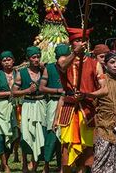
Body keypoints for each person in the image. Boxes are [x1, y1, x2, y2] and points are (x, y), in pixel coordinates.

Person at [56, 27, 108, 173]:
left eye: (84, 40)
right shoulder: (64, 61)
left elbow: (105, 89)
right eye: (78, 40)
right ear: (72, 44)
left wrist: (87, 95)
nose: (82, 43)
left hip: (87, 110)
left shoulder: (95, 64)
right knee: (67, 150)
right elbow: (62, 67)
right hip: (69, 110)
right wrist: (74, 53)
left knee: (86, 152)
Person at [12, 46, 46, 173]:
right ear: (28, 59)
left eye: (38, 57)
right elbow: (14, 92)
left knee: (39, 135)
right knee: (26, 135)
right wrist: (27, 90)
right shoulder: (22, 73)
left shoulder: (44, 71)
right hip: (27, 104)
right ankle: (24, 164)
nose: (36, 59)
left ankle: (35, 165)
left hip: (41, 104)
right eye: (34, 57)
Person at [39, 44, 70, 173]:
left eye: (65, 57)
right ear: (56, 58)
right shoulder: (49, 68)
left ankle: (62, 166)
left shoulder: (72, 67)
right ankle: (46, 164)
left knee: (65, 135)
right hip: (53, 103)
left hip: (68, 103)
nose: (63, 61)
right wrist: (58, 90)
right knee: (52, 134)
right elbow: (41, 87)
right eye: (60, 58)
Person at [0, 51, 18, 173]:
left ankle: (4, 163)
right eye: (4, 60)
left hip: (14, 108)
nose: (7, 62)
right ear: (1, 62)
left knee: (12, 136)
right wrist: (10, 93)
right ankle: (5, 165)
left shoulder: (18, 73)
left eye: (9, 59)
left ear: (13, 60)